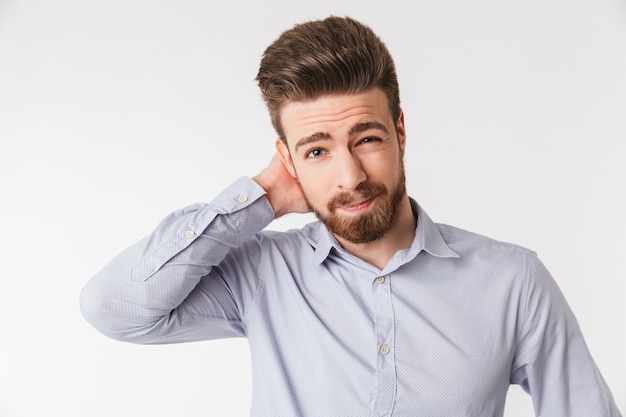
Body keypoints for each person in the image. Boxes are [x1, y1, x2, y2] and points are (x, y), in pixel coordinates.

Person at [80, 16, 622, 416]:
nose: (350, 176)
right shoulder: (262, 274)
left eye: (366, 138)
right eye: (317, 150)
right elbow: (115, 308)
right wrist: (263, 197)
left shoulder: (512, 280)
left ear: (401, 132)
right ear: (287, 159)